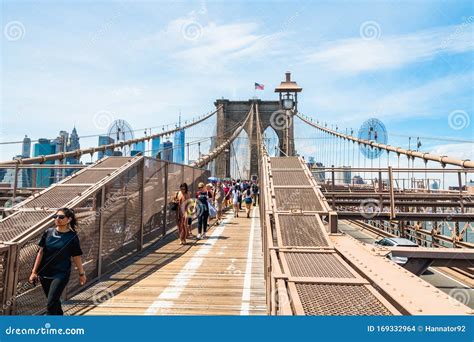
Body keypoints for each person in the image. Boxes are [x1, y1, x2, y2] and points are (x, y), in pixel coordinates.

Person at [29, 208, 85, 315]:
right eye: (55, 217)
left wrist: (81, 273)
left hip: (61, 274)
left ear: (69, 219)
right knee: (54, 302)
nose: (57, 219)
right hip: (45, 274)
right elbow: (40, 253)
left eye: (61, 217)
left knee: (51, 302)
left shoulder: (72, 236)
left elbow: (76, 256)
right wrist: (34, 272)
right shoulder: (48, 233)